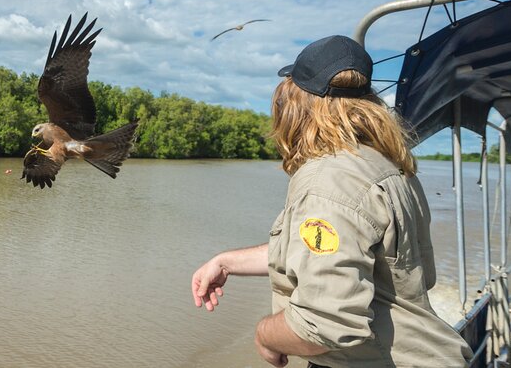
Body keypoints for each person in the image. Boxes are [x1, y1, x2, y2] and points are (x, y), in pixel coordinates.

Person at [191, 35, 473, 368]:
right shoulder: (388, 167)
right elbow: (336, 247)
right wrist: (227, 261)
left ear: (297, 103)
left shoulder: (328, 183)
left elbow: (325, 324)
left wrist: (265, 335)